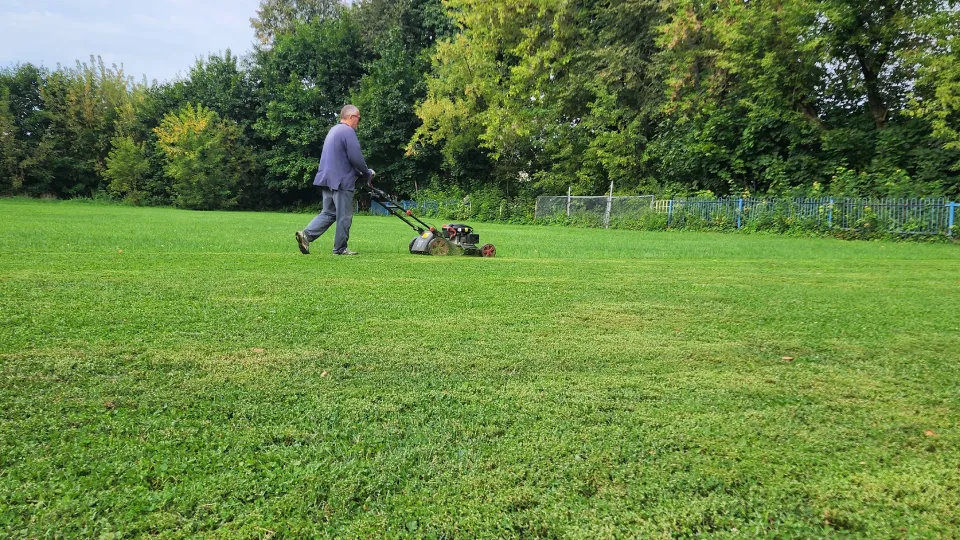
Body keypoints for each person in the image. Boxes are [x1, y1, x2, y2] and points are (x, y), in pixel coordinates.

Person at [296, 104, 374, 256]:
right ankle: (340, 248)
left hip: (327, 179)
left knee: (329, 213)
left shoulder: (333, 130)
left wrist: (359, 172)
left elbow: (341, 159)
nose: (359, 121)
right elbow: (355, 157)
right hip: (342, 181)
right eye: (358, 118)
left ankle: (306, 235)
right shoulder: (348, 131)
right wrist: (366, 172)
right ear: (351, 117)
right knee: (344, 215)